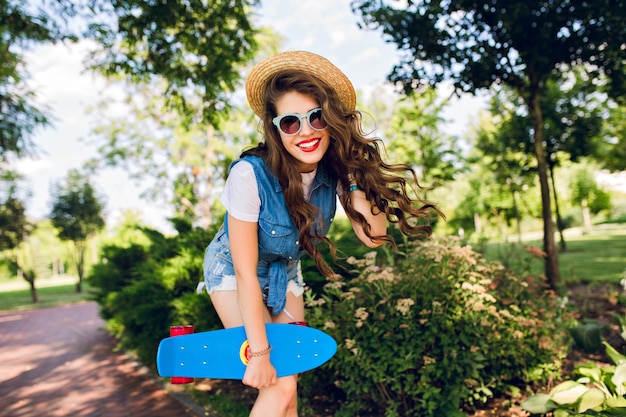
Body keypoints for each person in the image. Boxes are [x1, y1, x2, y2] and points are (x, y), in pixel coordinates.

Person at [198, 50, 442, 417]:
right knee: (278, 386)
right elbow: (246, 272)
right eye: (291, 123)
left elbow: (373, 236)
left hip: (285, 274)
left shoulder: (333, 171)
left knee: (290, 386)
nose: (307, 131)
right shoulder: (249, 175)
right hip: (234, 274)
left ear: (330, 119)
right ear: (276, 129)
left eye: (316, 117)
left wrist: (355, 175)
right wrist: (259, 354)